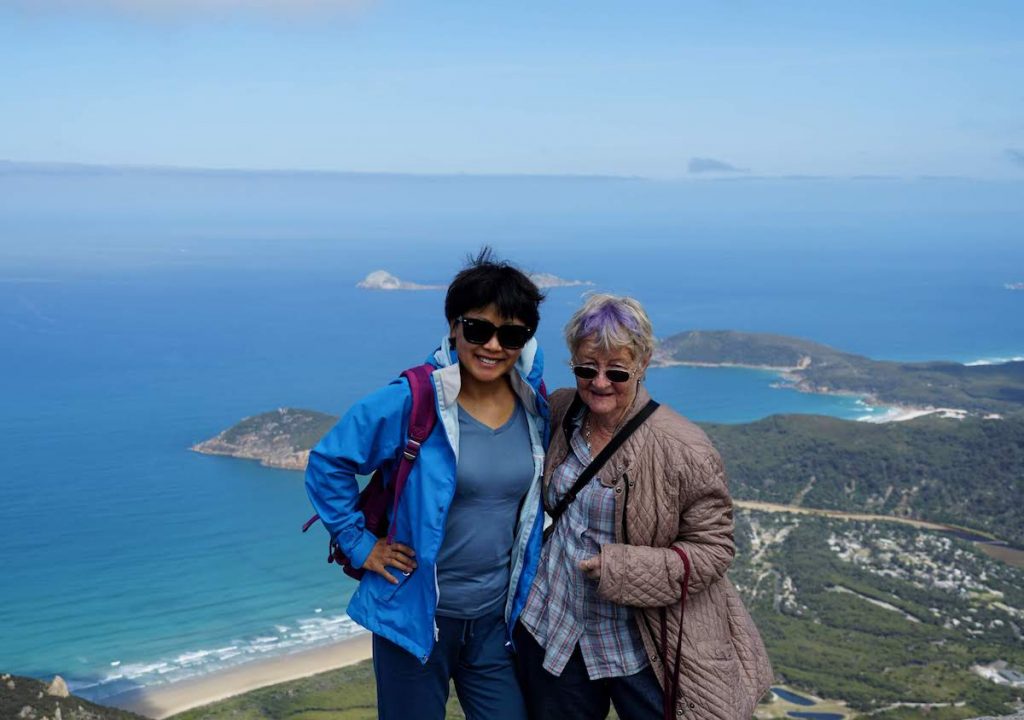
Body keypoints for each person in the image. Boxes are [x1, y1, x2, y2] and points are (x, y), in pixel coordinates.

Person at [305, 250, 548, 720]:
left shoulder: (534, 408)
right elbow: (327, 462)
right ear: (454, 327)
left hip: (494, 623)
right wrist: (360, 545)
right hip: (416, 619)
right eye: (479, 329)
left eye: (512, 334)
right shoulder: (414, 400)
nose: (493, 345)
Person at [515, 294, 772, 720]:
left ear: (643, 363)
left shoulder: (682, 447)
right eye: (585, 368)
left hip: (639, 642)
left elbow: (715, 549)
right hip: (554, 627)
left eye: (616, 371)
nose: (599, 383)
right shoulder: (561, 411)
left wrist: (625, 570)